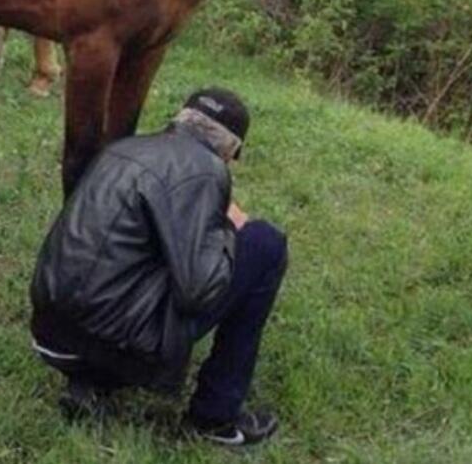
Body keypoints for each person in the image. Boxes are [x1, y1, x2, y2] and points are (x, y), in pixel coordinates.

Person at [29, 88, 287, 447]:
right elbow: (200, 289)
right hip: (109, 341)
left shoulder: (124, 147)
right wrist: (226, 228)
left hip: (51, 332)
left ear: (179, 120)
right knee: (266, 244)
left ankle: (90, 382)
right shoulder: (204, 171)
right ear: (230, 151)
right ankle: (214, 417)